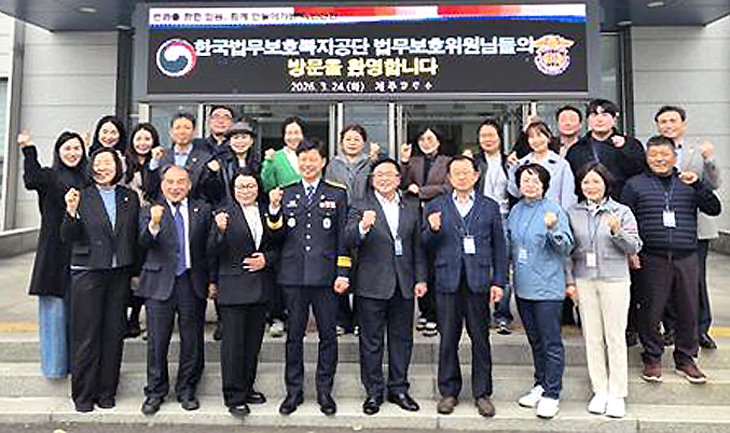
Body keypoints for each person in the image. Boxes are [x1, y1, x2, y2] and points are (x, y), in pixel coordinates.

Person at [621, 136, 721, 385]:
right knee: (650, 310)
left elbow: (714, 208)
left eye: (665, 154)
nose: (659, 159)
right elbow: (625, 219)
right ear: (647, 158)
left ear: (674, 157)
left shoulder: (688, 182)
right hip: (651, 256)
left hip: (686, 255)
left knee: (688, 309)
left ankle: (685, 358)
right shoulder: (634, 185)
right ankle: (652, 356)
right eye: (654, 155)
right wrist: (631, 253)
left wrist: (698, 185)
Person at [267, 140, 351, 416]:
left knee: (328, 336)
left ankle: (324, 391)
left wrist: (342, 272)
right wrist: (274, 209)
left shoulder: (337, 193)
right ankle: (294, 391)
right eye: (303, 159)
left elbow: (342, 238)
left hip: (326, 278)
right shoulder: (286, 192)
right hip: (293, 277)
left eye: (313, 159)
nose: (307, 164)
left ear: (323, 161)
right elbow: (276, 236)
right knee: (294, 337)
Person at [424, 155, 507, 418]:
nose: (461, 177)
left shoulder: (489, 206)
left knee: (480, 339)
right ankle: (449, 392)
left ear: (476, 176)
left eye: (466, 172)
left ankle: (482, 393)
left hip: (478, 282)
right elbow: (424, 245)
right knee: (448, 338)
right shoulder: (436, 205)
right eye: (456, 173)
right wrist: (432, 230)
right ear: (448, 178)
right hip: (446, 281)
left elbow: (500, 247)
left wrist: (499, 281)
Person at [345, 158, 427, 415]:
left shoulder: (411, 205)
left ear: (398, 179)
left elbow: (417, 246)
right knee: (371, 341)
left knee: (402, 339)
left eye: (389, 174)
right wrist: (363, 226)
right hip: (371, 284)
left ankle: (398, 389)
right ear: (372, 180)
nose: (383, 179)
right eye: (379, 175)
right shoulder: (360, 205)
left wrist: (421, 278)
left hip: (403, 283)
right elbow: (347, 238)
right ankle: (373, 391)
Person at [61, 147, 140, 413]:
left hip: (119, 274)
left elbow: (133, 238)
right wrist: (71, 211)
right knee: (87, 335)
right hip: (88, 271)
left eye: (109, 162)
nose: (103, 167)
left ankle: (107, 392)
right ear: (91, 166)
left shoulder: (129, 197)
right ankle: (83, 395)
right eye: (98, 163)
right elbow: (68, 236)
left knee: (113, 334)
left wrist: (136, 273)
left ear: (118, 167)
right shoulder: (81, 196)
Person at [136, 165, 214, 415]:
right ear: (162, 185)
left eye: (181, 182)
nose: (175, 187)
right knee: (157, 341)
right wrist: (154, 224)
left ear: (189, 185)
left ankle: (187, 389)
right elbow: (143, 243)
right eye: (170, 182)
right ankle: (155, 391)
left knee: (192, 340)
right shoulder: (149, 210)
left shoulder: (203, 209)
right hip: (160, 282)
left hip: (191, 281)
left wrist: (212, 280)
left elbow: (209, 248)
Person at [566, 163, 642, 418]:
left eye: (596, 181)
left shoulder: (621, 211)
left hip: (614, 280)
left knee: (615, 337)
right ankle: (599, 390)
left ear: (606, 184)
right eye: (586, 182)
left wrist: (617, 231)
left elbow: (634, 246)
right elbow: (568, 251)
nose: (591, 187)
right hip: (584, 280)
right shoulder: (573, 212)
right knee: (592, 337)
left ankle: (617, 394)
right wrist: (569, 282)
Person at [207, 168, 281, 418]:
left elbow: (279, 243)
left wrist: (267, 260)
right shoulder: (223, 214)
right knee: (233, 346)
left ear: (258, 188)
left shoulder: (267, 211)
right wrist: (219, 231)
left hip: (261, 287)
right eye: (240, 186)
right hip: (233, 289)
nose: (245, 191)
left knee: (252, 344)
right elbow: (210, 251)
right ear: (233, 189)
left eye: (250, 186)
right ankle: (234, 396)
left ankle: (247, 388)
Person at [19, 130, 88, 379]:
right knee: (54, 311)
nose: (72, 153)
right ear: (58, 151)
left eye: (77, 148)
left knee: (78, 312)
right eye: (67, 148)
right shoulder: (49, 176)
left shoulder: (88, 179)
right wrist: (28, 149)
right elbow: (31, 179)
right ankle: (55, 367)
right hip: (53, 252)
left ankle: (75, 364)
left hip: (81, 251)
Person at [509, 163, 573, 419]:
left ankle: (552, 393)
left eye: (536, 181)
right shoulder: (516, 210)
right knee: (535, 341)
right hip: (523, 286)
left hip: (548, 288)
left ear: (545, 185)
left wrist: (553, 229)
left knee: (551, 342)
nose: (530, 185)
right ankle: (541, 384)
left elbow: (567, 247)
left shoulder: (554, 209)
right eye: (525, 180)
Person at [655, 105, 721, 350]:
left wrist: (710, 159)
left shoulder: (698, 151)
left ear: (683, 124)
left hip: (696, 225)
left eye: (673, 120)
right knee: (668, 280)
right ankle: (672, 327)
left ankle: (701, 329)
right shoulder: (654, 151)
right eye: (663, 121)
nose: (668, 125)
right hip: (665, 226)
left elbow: (713, 184)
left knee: (696, 279)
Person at [325, 124, 380, 336]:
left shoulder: (371, 163)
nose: (352, 142)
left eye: (357, 139)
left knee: (361, 269)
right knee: (340, 266)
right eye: (348, 139)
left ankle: (359, 319)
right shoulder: (332, 164)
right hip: (338, 218)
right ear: (341, 142)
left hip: (362, 217)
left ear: (363, 142)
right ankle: (341, 319)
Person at [400, 126, 451, 337]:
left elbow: (447, 187)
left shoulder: (447, 162)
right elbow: (402, 184)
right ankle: (424, 311)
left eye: (430, 138)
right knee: (419, 265)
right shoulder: (413, 161)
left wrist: (420, 191)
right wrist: (404, 162)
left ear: (439, 141)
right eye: (422, 139)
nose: (426, 142)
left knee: (434, 266)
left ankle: (435, 315)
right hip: (415, 217)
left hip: (438, 216)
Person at [124, 122, 164, 338]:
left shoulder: (158, 162)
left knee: (144, 270)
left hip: (149, 221)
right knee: (129, 270)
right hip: (126, 223)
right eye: (138, 138)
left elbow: (152, 189)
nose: (142, 143)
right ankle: (126, 316)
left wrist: (154, 164)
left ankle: (136, 317)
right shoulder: (123, 162)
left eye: (147, 139)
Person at [473, 119, 513, 334]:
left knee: (502, 265)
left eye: (491, 135)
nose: (487, 139)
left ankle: (502, 314)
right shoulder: (474, 162)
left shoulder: (510, 161)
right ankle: (481, 313)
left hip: (504, 216)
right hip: (479, 215)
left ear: (500, 137)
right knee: (479, 264)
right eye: (483, 135)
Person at [565, 99, 645, 201]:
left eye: (604, 115)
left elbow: (639, 172)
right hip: (586, 204)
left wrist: (623, 149)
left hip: (624, 203)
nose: (599, 119)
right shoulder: (577, 149)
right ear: (588, 120)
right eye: (594, 115)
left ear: (614, 120)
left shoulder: (631, 144)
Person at [508, 121, 577, 211]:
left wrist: (562, 216)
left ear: (548, 137)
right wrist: (513, 168)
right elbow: (515, 193)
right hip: (528, 213)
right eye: (531, 137)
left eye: (539, 135)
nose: (536, 140)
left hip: (552, 214)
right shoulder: (523, 163)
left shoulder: (561, 164)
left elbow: (568, 197)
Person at [151, 112, 216, 203]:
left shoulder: (205, 158)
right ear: (171, 132)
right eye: (177, 128)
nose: (182, 132)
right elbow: (152, 188)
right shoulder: (161, 156)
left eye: (187, 128)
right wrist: (154, 162)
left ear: (194, 132)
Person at [205, 120, 262, 209]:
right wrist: (212, 173)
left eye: (244, 137)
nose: (240, 141)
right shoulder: (220, 162)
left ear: (251, 141)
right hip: (227, 208)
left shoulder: (259, 161)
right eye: (236, 138)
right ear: (229, 142)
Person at [261, 116, 306, 192]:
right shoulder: (275, 157)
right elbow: (267, 185)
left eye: (296, 133)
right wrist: (268, 162)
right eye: (289, 133)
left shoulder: (311, 155)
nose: (293, 137)